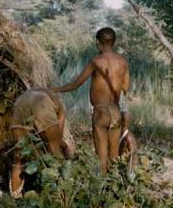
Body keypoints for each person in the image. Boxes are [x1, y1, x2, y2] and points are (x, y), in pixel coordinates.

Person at [51, 27, 130, 174]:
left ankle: (101, 192)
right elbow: (126, 86)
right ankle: (114, 190)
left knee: (101, 158)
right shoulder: (123, 62)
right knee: (114, 157)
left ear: (97, 43)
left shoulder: (95, 61)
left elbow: (75, 85)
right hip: (115, 112)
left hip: (101, 112)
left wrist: (54, 90)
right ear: (114, 42)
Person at [9, 88, 73, 199]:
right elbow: (58, 139)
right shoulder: (60, 107)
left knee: (18, 157)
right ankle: (60, 196)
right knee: (55, 151)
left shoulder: (38, 93)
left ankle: (15, 198)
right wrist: (65, 149)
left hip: (20, 104)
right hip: (42, 105)